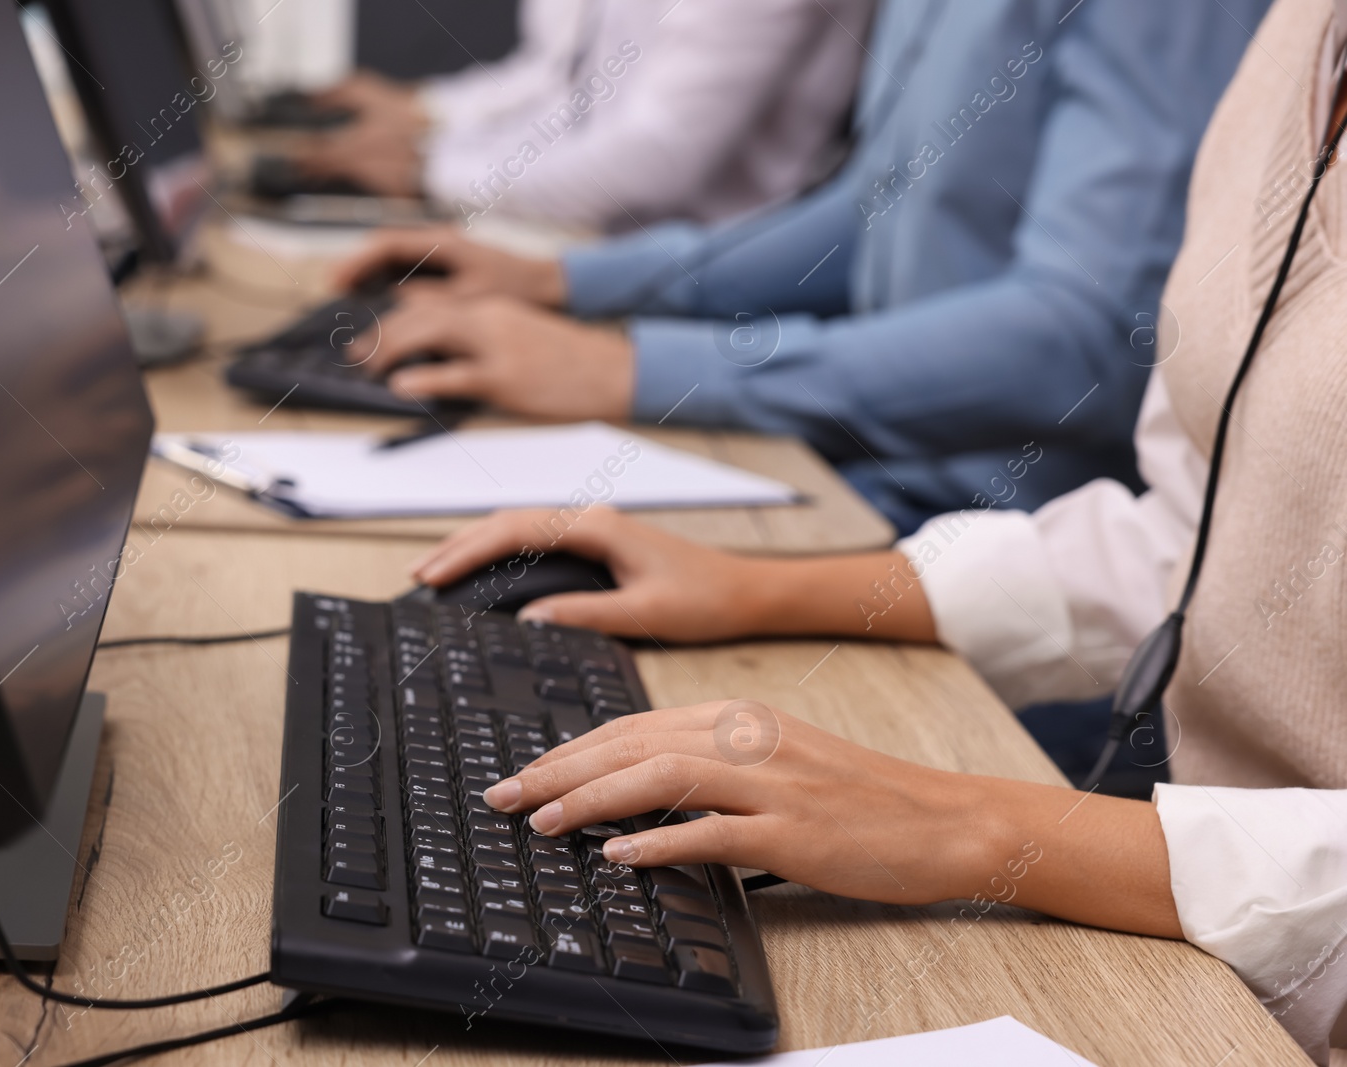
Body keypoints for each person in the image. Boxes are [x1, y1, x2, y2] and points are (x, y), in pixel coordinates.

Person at [396, 0, 1347, 1060]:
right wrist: (762, 588)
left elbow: (1077, 331)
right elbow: (1201, 543)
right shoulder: (1300, 39)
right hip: (1208, 908)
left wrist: (978, 824)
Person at [337, 0, 1272, 534]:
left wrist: (635, 368)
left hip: (999, 540)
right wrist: (574, 287)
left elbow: (1087, 342)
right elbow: (875, 209)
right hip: (864, 472)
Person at [290, 0, 873, 229]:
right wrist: (428, 122)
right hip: (591, 238)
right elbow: (562, 84)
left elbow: (656, 158)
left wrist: (433, 174)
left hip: (695, 273)